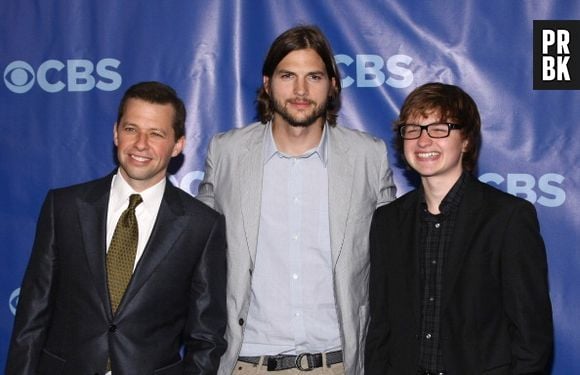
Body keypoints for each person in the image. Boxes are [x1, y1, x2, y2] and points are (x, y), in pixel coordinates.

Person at [197, 25, 396, 374]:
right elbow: (197, 258)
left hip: (337, 363)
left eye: (314, 77)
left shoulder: (369, 156)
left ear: (332, 85)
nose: (301, 90)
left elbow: (393, 267)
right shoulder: (226, 152)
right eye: (288, 75)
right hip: (246, 364)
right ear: (267, 82)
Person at [6, 81, 227, 375]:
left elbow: (206, 338)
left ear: (178, 145)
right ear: (115, 132)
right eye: (131, 129)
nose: (140, 144)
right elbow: (32, 316)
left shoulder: (202, 226)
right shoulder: (65, 207)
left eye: (156, 134)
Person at [365, 82, 553, 374]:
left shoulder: (507, 218)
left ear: (466, 140)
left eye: (439, 128)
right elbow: (380, 327)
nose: (423, 141)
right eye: (413, 129)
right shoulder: (387, 222)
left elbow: (532, 336)